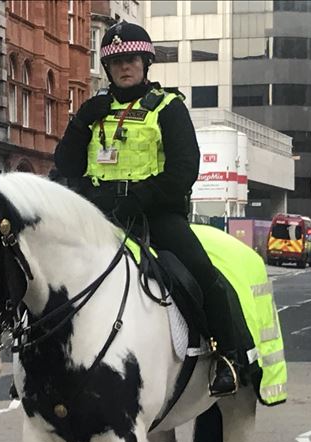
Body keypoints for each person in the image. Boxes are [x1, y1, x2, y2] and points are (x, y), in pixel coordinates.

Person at [53, 21, 237, 396]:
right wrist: (83, 122)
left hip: (155, 215)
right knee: (44, 268)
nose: (125, 67)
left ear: (145, 62)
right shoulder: (94, 110)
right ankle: (39, 363)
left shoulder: (169, 108)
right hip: (98, 217)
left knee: (202, 273)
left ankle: (228, 357)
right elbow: (67, 164)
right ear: (107, 68)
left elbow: (184, 170)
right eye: (117, 61)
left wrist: (140, 198)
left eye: (132, 59)